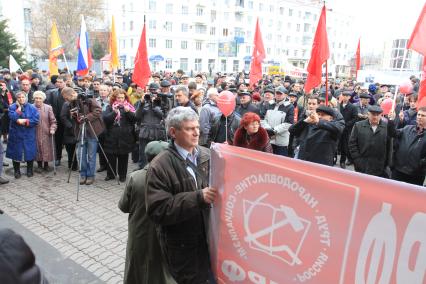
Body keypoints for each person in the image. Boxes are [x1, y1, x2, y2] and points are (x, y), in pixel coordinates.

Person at [146, 107, 217, 284]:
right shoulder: (159, 166)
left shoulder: (208, 155)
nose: (196, 133)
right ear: (173, 132)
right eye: (189, 128)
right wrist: (198, 198)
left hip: (211, 240)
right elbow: (158, 210)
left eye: (197, 127)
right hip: (183, 247)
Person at [118, 141, 176, 284]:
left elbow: (124, 206)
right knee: (161, 270)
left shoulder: (135, 177)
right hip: (164, 234)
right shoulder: (174, 178)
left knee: (136, 267)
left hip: (139, 232)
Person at [68, 87, 105, 185]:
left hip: (91, 131)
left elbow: (98, 110)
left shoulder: (89, 99)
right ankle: (83, 175)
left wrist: (86, 117)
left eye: (70, 96)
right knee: (80, 155)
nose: (68, 98)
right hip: (80, 131)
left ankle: (90, 175)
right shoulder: (72, 102)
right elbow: (74, 117)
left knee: (91, 155)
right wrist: (73, 115)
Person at [349, 105, 392, 177]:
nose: (375, 117)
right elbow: (352, 144)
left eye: (377, 115)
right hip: (362, 164)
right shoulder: (358, 125)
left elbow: (389, 147)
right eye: (373, 114)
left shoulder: (386, 127)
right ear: (368, 114)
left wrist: (387, 164)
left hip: (379, 166)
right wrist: (357, 159)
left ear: (381, 115)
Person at [103, 89, 136, 182]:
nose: (120, 99)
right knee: (111, 156)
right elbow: (106, 119)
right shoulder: (110, 107)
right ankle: (111, 174)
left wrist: (128, 112)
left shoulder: (129, 107)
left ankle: (122, 175)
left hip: (125, 136)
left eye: (122, 97)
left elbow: (134, 120)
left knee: (123, 157)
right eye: (118, 98)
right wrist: (114, 112)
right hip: (112, 136)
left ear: (125, 98)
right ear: (115, 98)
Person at [388, 106, 426, 186]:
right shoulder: (407, 128)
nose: (419, 117)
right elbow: (393, 133)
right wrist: (391, 120)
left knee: (410, 197)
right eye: (418, 115)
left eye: (423, 115)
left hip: (415, 174)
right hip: (398, 170)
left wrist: (419, 165)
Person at [6, 91, 40, 178]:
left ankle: (30, 170)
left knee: (29, 152)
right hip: (16, 134)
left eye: (23, 97)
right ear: (16, 99)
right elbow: (12, 117)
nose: (21, 99)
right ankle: (16, 171)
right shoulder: (12, 107)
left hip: (28, 134)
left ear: (26, 98)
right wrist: (18, 110)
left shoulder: (32, 107)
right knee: (16, 153)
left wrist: (25, 121)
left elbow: (36, 120)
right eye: (19, 97)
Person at [135, 83, 167, 169]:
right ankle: (142, 171)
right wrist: (141, 103)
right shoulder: (143, 101)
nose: (153, 92)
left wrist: (155, 105)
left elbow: (164, 116)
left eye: (155, 90)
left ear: (159, 91)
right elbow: (137, 116)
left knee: (157, 155)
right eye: (151, 90)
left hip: (158, 132)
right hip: (145, 132)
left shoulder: (163, 101)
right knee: (143, 155)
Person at [262, 86, 294, 156]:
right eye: (277, 93)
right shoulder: (268, 104)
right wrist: (268, 129)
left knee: (279, 161)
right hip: (268, 138)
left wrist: (274, 130)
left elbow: (289, 123)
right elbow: (262, 119)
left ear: (285, 95)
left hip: (281, 140)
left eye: (280, 94)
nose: (278, 95)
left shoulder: (290, 106)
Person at [33, 91, 57, 172]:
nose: (38, 100)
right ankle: (39, 165)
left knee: (46, 148)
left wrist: (52, 128)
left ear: (43, 99)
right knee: (37, 148)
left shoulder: (48, 108)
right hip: (34, 132)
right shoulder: (30, 107)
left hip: (46, 132)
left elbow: (53, 121)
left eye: (40, 98)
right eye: (36, 98)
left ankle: (46, 165)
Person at [338, 90, 359, 168]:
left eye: (347, 96)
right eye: (344, 95)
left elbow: (355, 118)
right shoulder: (338, 105)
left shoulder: (353, 107)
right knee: (336, 143)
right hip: (337, 127)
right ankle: (334, 158)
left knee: (344, 146)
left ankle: (342, 161)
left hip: (346, 129)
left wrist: (346, 125)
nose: (345, 97)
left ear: (350, 97)